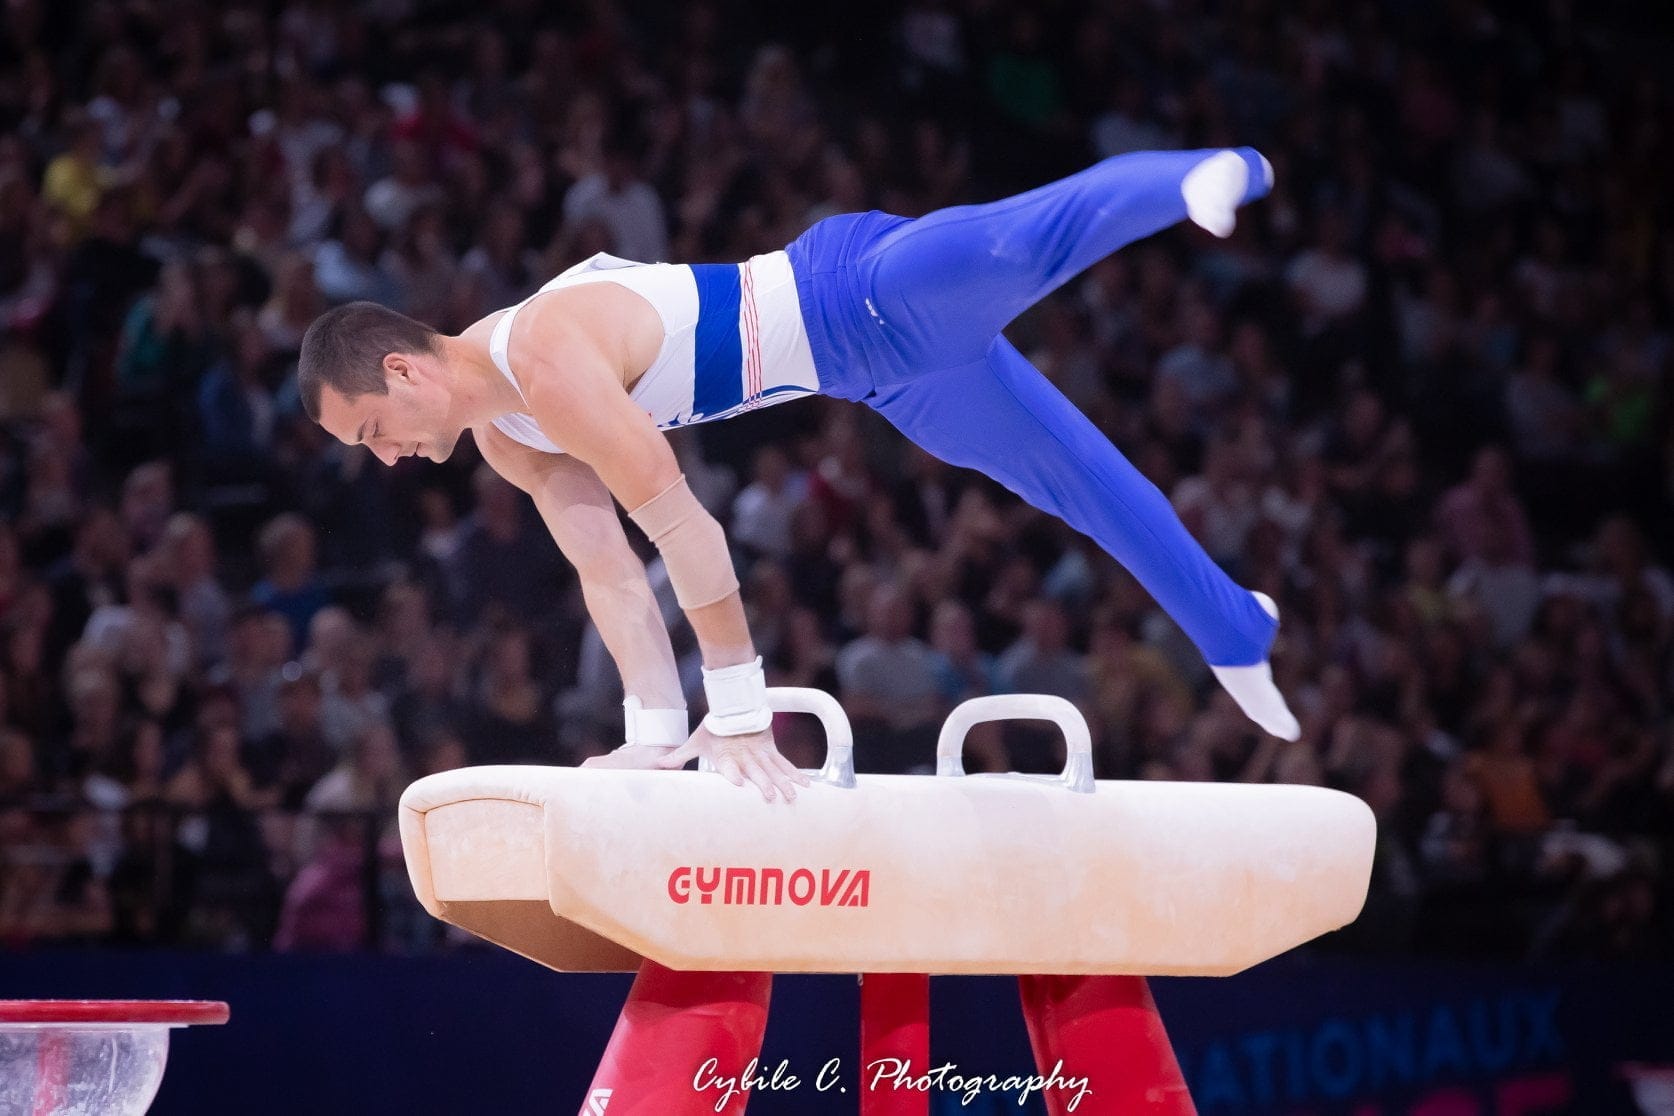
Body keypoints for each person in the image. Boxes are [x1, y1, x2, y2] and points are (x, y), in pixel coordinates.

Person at [299, 147, 1300, 803]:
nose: (387, 459)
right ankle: (1236, 629)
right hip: (884, 382)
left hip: (853, 290)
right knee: (1082, 483)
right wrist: (655, 732)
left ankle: (1207, 176)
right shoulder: (507, 436)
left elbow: (688, 531)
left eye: (375, 431)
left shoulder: (548, 359)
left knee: (1021, 236)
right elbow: (610, 574)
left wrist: (738, 713)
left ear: (401, 369)